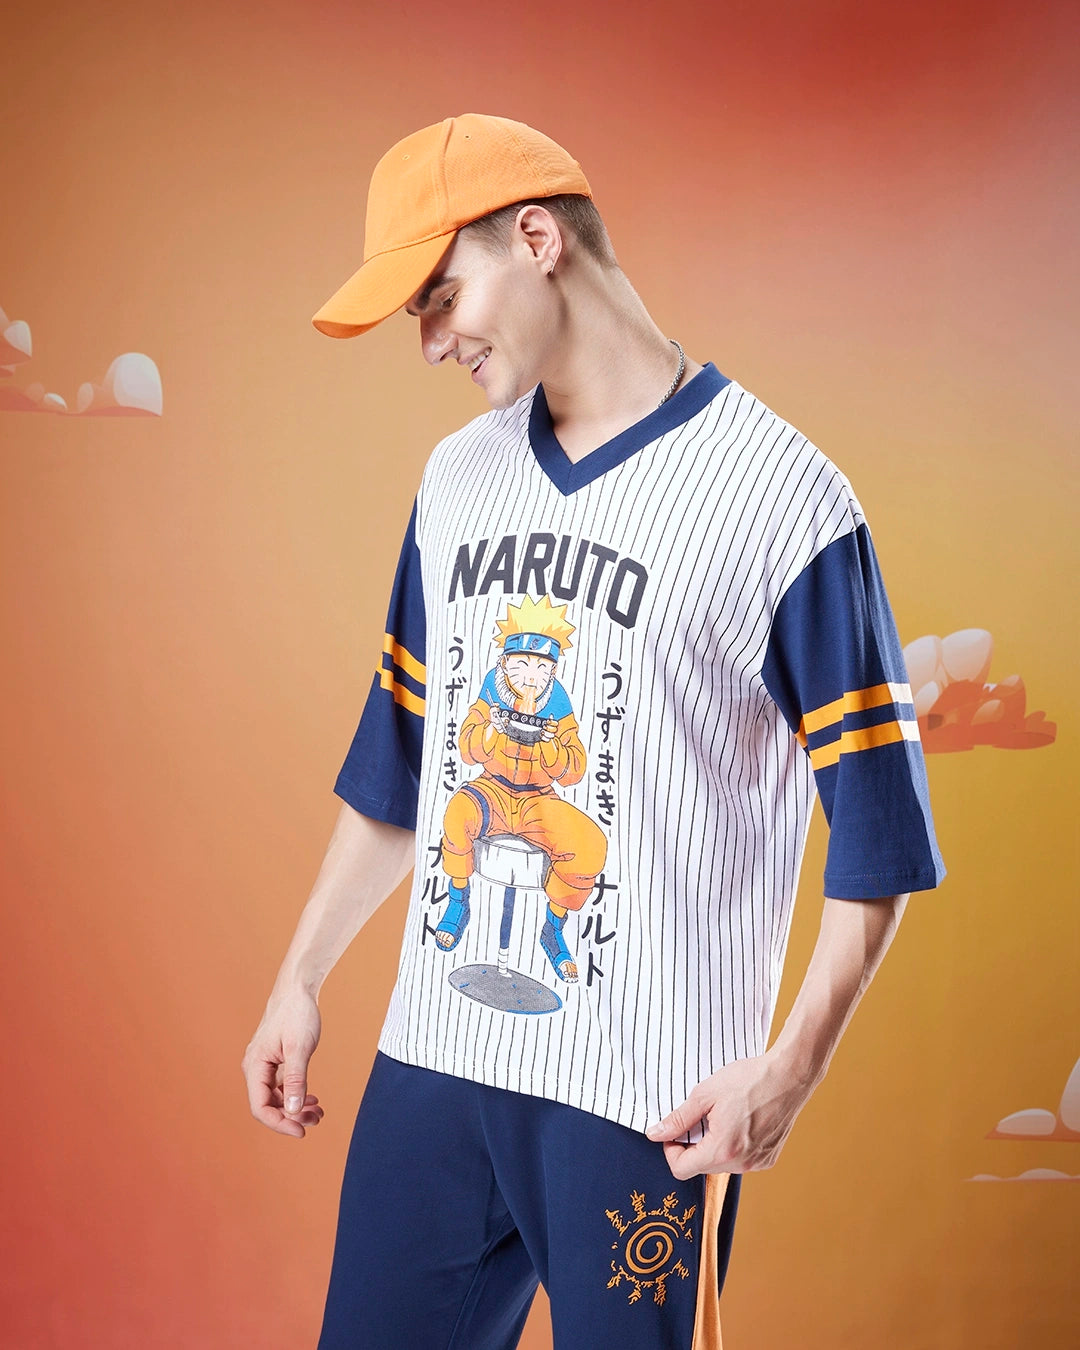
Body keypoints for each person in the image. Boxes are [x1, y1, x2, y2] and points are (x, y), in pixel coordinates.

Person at [242, 113, 945, 1350]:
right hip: (437, 1061)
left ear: (536, 238)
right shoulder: (457, 482)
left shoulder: (785, 500)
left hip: (644, 1102)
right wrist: (299, 977)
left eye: (441, 297)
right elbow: (403, 765)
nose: (432, 342)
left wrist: (789, 1071)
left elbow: (879, 837)